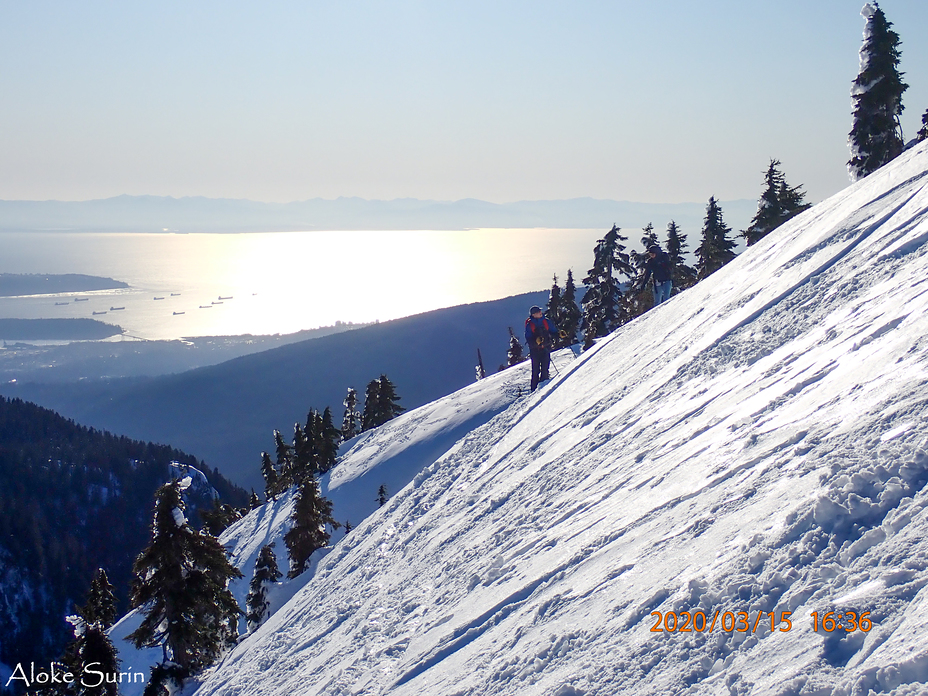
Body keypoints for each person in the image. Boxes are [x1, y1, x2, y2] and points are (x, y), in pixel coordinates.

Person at [524, 305, 558, 392]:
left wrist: (559, 334)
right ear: (534, 314)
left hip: (545, 348)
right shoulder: (530, 325)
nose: (540, 313)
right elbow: (528, 338)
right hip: (535, 351)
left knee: (545, 369)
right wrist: (536, 343)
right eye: (538, 312)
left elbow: (553, 331)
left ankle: (543, 388)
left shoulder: (546, 321)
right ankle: (534, 390)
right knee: (535, 371)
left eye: (540, 311)